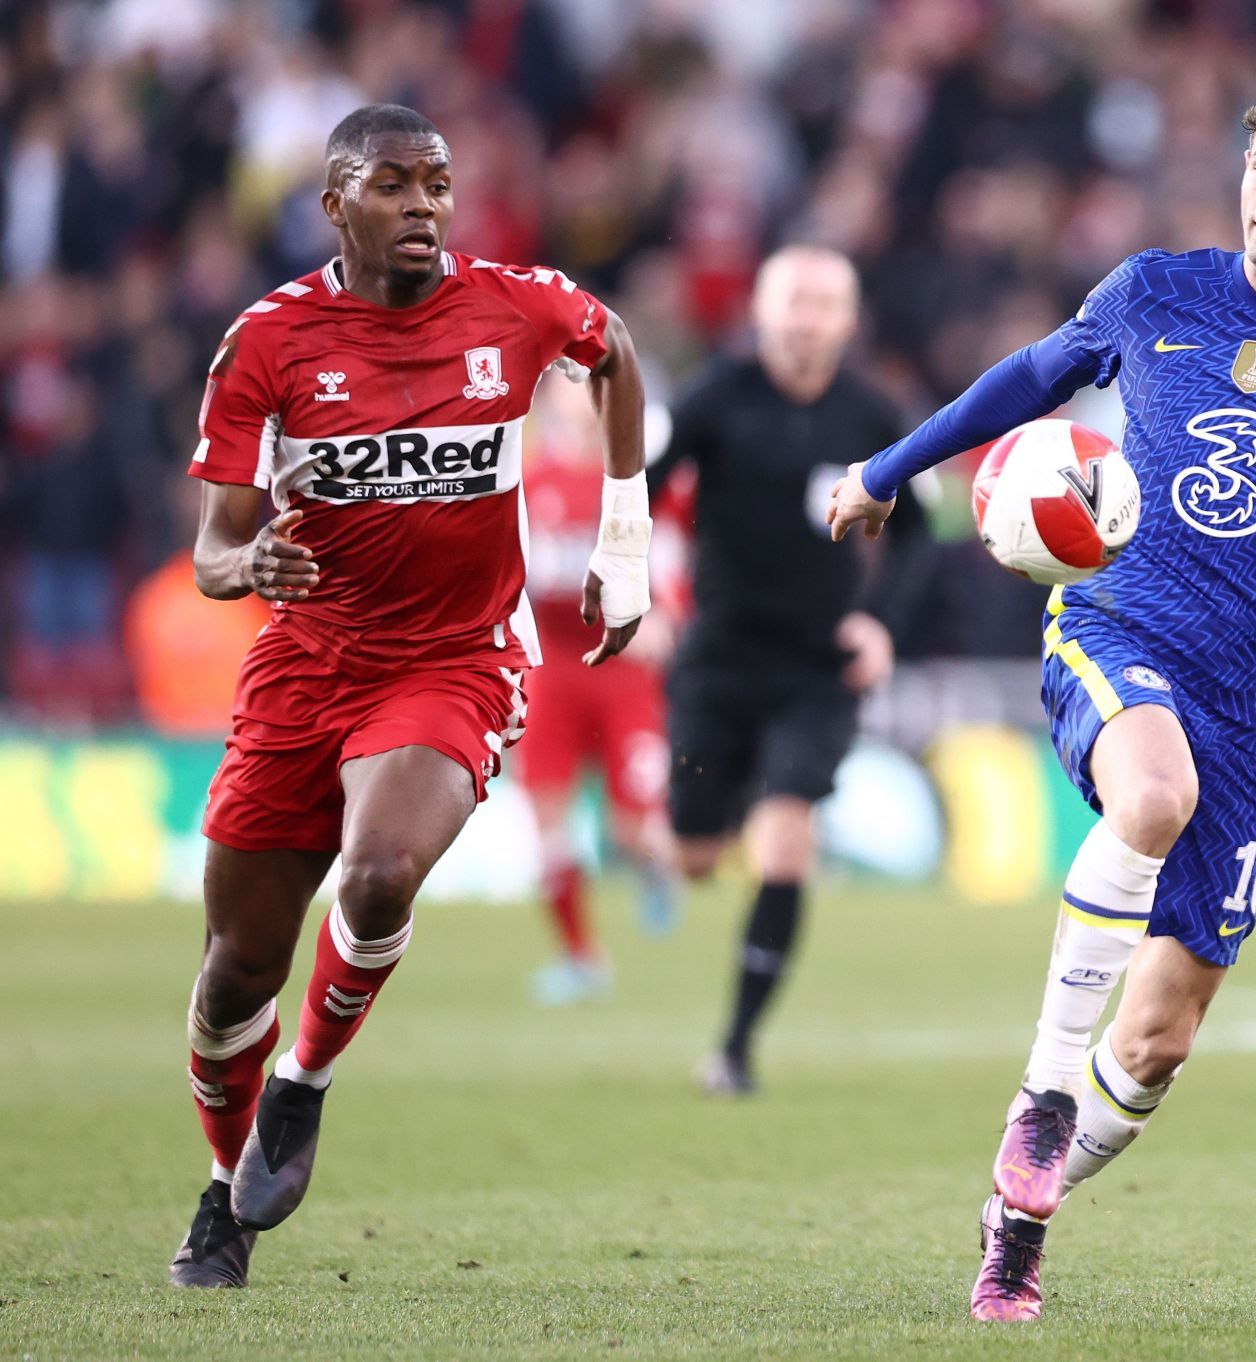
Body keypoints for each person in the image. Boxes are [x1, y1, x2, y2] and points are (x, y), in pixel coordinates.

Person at [826, 69, 1256, 1322]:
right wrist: (889, 467)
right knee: (1152, 791)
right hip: (1117, 626)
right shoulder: (1155, 289)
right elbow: (1026, 379)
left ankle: (1018, 1215)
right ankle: (1042, 1092)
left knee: (1164, 1039)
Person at [169, 104, 651, 1289]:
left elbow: (617, 352)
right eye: (394, 185)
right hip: (306, 664)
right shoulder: (268, 342)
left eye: (438, 183)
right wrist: (251, 569)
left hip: (454, 658)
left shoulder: (518, 305)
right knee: (237, 968)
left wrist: (622, 536)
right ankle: (228, 1196)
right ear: (335, 204)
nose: (426, 205)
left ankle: (307, 1082)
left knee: (382, 873)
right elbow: (213, 551)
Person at [650, 244, 930, 1096]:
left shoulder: (873, 412)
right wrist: (642, 597)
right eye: (792, 301)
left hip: (817, 667)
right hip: (718, 659)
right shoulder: (715, 399)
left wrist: (878, 625)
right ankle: (713, 813)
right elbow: (638, 492)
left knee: (785, 841)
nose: (807, 318)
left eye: (825, 303)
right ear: (761, 312)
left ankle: (734, 1048)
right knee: (697, 852)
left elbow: (918, 530)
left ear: (848, 321)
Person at [516, 378, 692, 1005]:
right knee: (547, 822)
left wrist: (664, 616)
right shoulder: (529, 483)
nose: (583, 403)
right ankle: (581, 957)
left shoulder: (641, 486)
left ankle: (657, 870)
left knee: (632, 828)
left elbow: (668, 564)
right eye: (571, 390)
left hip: (623, 672)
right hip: (553, 670)